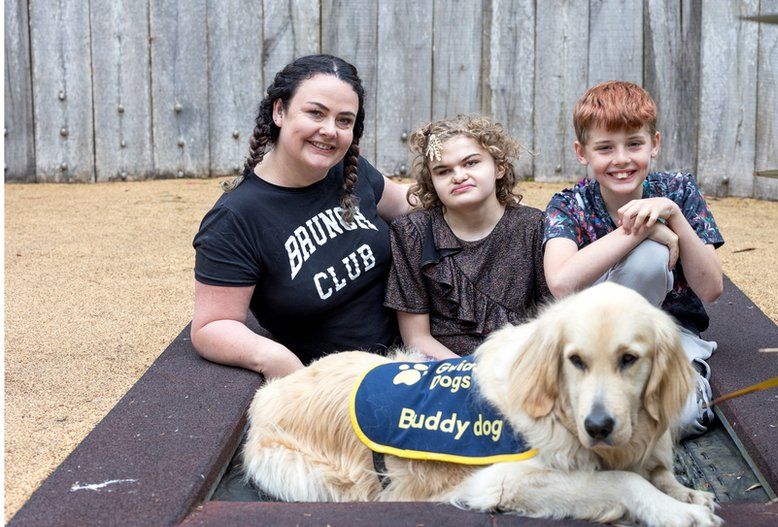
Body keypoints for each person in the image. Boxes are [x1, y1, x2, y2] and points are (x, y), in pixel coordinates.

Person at [191, 54, 412, 379]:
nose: (330, 131)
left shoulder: (349, 172)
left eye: (344, 120)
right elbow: (212, 325)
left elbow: (408, 204)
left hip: (415, 354)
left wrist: (471, 187)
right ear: (279, 111)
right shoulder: (235, 219)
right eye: (316, 113)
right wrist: (278, 361)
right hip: (339, 386)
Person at [543, 81, 724, 438]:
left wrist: (672, 215)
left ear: (654, 144)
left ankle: (686, 387)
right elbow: (561, 283)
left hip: (670, 334)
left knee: (683, 418)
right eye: (605, 148)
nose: (622, 159)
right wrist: (640, 229)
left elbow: (711, 288)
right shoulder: (569, 205)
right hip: (596, 338)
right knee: (648, 253)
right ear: (582, 153)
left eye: (635, 144)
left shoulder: (677, 191)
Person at [384, 115, 550, 359]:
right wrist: (467, 373)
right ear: (432, 182)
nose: (458, 176)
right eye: (443, 171)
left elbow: (552, 320)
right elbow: (417, 339)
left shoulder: (534, 226)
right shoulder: (413, 233)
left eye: (471, 163)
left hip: (517, 363)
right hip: (441, 368)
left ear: (499, 168)